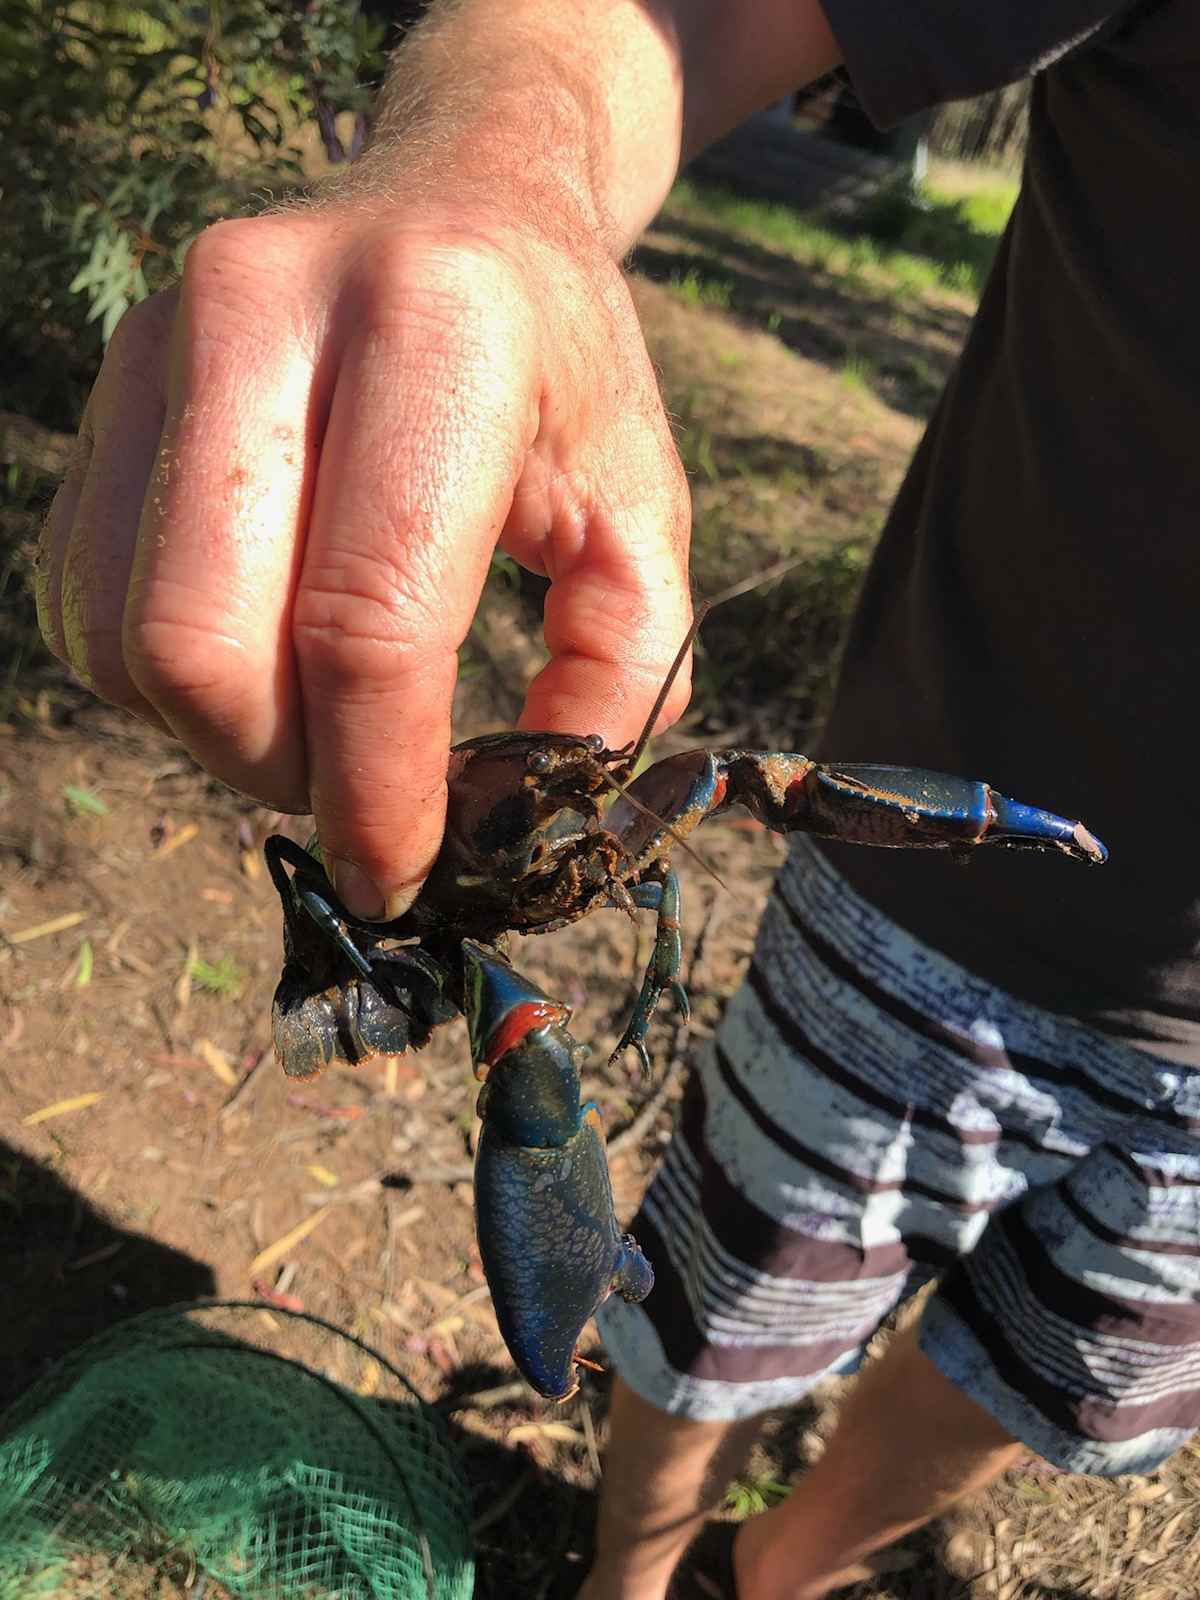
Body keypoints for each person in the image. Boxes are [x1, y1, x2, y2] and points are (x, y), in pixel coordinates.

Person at [36, 3, 1200, 1597]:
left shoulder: (595, 818)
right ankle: (632, 1570)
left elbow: (661, 834)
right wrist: (498, 161)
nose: (611, 797)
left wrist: (639, 915)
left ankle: (773, 1570)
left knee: (1071, 1372)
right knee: (674, 1230)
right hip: (933, 937)